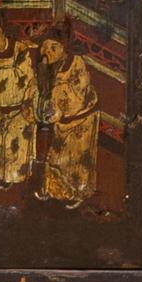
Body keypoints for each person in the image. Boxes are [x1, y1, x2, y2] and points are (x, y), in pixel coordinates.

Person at [36, 39, 98, 209]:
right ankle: (52, 189)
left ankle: (77, 194)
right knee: (56, 154)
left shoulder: (76, 63)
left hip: (80, 117)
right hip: (61, 118)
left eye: (53, 47)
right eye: (45, 47)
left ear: (64, 48)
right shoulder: (49, 67)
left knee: (76, 157)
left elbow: (78, 94)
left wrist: (58, 110)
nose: (47, 51)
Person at [0, 28, 39, 188]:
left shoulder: (19, 48)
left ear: (3, 32)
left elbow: (26, 74)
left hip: (18, 105)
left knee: (15, 144)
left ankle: (12, 177)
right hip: (0, 106)